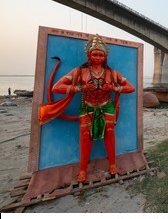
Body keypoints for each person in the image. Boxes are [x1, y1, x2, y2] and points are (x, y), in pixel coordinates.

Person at [40, 34, 135, 182]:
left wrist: (113, 88)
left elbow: (130, 87)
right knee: (85, 135)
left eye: (100, 55)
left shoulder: (112, 73)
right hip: (87, 106)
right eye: (95, 54)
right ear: (89, 55)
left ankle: (112, 164)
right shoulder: (79, 71)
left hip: (106, 105)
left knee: (110, 132)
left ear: (105, 57)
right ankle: (83, 170)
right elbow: (56, 87)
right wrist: (81, 88)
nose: (98, 57)